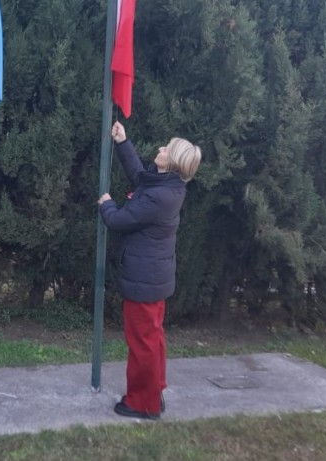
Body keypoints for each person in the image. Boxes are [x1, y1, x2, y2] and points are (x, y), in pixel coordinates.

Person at [98, 121, 201, 420]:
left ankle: (143, 404)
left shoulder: (160, 197)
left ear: (173, 163)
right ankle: (154, 391)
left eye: (166, 150)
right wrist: (122, 142)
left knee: (142, 342)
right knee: (152, 339)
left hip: (145, 280)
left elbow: (120, 220)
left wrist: (107, 204)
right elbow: (139, 176)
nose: (161, 149)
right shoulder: (166, 185)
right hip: (154, 278)